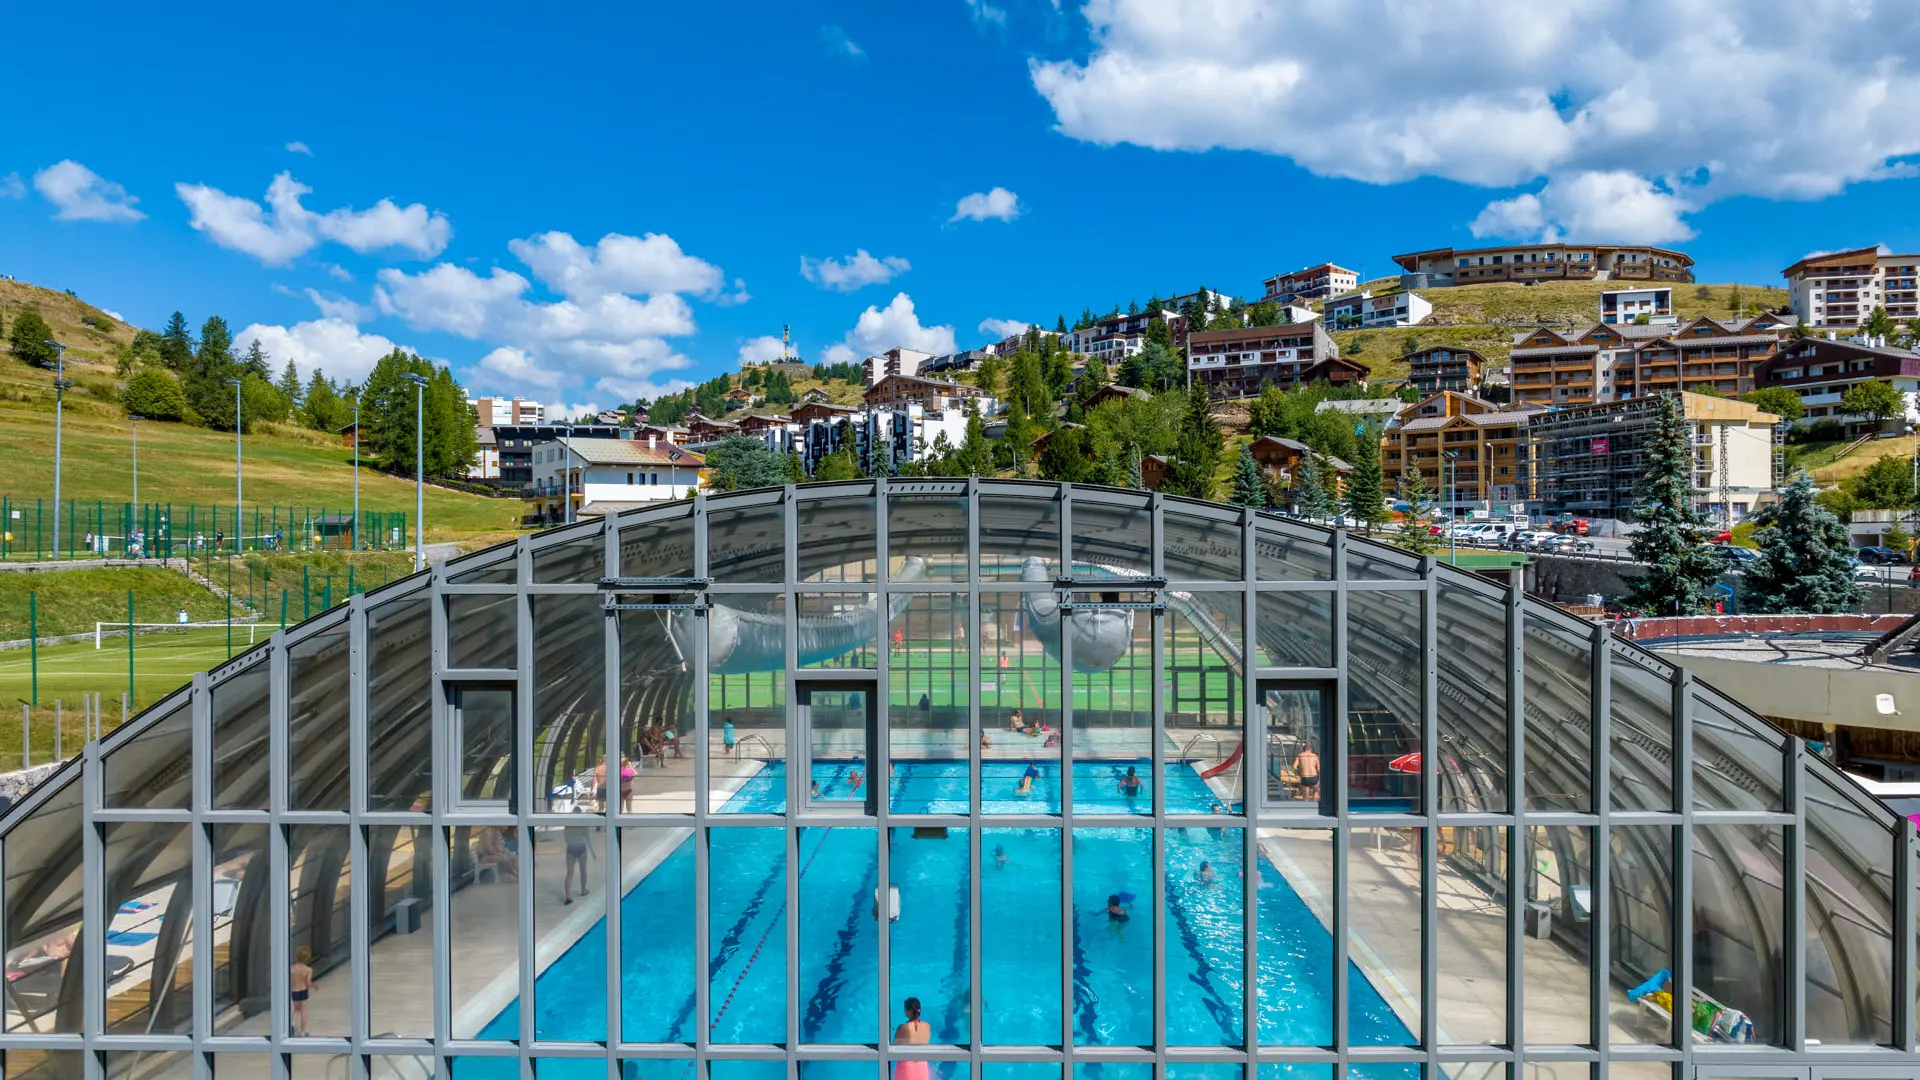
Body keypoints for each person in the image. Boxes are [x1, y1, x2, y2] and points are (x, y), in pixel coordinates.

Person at [893, 997, 931, 1080]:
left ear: (908, 1011)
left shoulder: (902, 1028)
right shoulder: (927, 1026)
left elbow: (894, 1047)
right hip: (922, 1066)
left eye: (905, 1009)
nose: (904, 1011)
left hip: (906, 1068)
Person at [563, 808, 594, 905]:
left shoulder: (568, 824)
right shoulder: (583, 823)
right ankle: (583, 890)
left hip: (571, 848)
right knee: (583, 870)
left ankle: (568, 895)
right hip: (581, 847)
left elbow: (566, 838)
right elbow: (588, 838)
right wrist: (593, 852)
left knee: (569, 874)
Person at [289, 946, 314, 1035]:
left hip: (294, 991)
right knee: (303, 1011)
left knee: (296, 1009)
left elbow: (291, 981)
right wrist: (314, 985)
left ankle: (292, 1024)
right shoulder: (308, 969)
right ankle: (303, 1032)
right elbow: (308, 982)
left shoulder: (292, 968)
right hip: (303, 991)